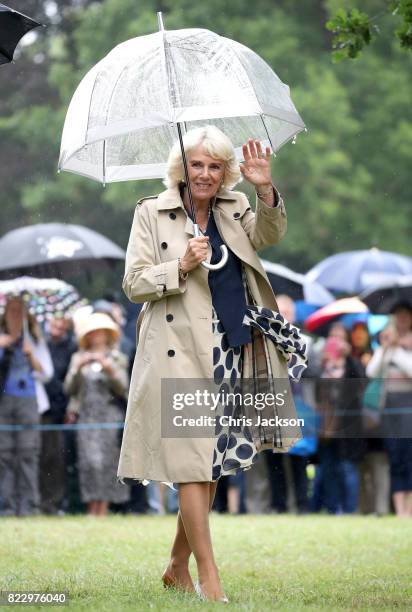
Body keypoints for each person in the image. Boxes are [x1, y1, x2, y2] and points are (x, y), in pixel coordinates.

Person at [117, 126, 304, 602]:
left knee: (211, 459)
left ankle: (176, 565)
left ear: (226, 172)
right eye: (197, 164)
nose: (204, 174)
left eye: (215, 166)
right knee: (193, 461)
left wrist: (264, 188)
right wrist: (179, 265)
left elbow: (268, 235)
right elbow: (134, 283)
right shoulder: (150, 212)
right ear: (183, 167)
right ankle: (209, 575)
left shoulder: (233, 207)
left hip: (231, 344)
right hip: (176, 348)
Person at [64, 312, 130, 516]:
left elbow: (123, 387)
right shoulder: (78, 357)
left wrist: (109, 369)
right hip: (86, 415)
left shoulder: (118, 358)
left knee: (107, 462)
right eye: (93, 332)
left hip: (109, 415)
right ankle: (91, 506)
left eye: (100, 332)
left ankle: (104, 506)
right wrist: (77, 369)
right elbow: (68, 389)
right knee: (88, 462)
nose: (97, 336)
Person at [0, 297, 53, 516]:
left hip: (29, 402)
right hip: (4, 403)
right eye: (11, 310)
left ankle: (29, 505)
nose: (15, 314)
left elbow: (47, 374)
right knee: (4, 455)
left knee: (28, 453)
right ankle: (7, 506)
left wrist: (32, 356)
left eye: (19, 310)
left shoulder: (34, 339)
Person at [366, 303, 412, 517]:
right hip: (390, 409)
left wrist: (399, 351)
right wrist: (386, 349)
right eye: (397, 316)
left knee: (409, 457)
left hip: (408, 408)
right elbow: (371, 372)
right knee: (395, 457)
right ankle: (400, 510)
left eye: (405, 316)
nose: (401, 319)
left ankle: (409, 509)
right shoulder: (387, 347)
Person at [41, 315, 77, 514]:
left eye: (62, 323)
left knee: (58, 459)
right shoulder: (41, 344)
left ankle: (55, 503)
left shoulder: (72, 347)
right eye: (55, 322)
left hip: (62, 410)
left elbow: (68, 382)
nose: (58, 326)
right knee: (41, 457)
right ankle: (40, 501)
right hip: (42, 408)